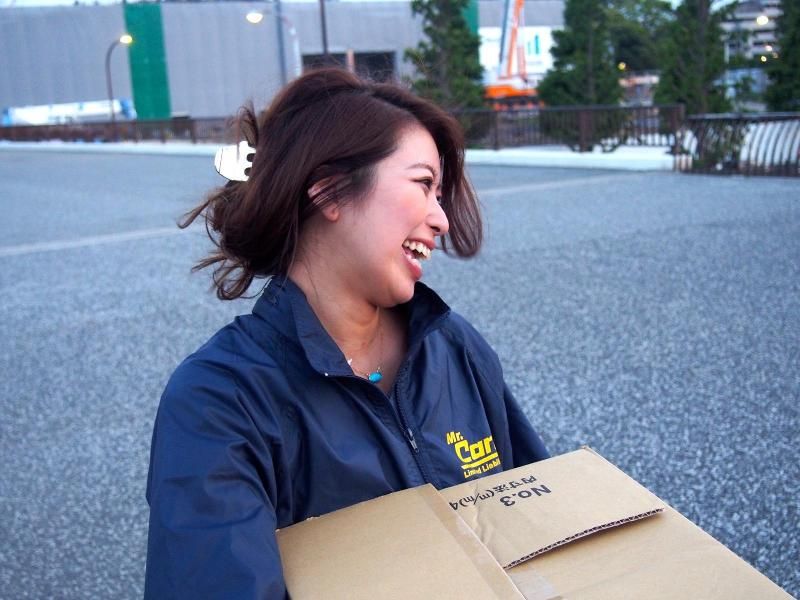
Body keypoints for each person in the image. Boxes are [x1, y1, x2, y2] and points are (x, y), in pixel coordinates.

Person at [144, 67, 548, 599]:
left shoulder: (453, 346)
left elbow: (539, 524)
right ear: (329, 191)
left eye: (441, 194)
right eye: (423, 184)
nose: (442, 219)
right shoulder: (220, 400)